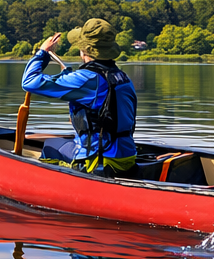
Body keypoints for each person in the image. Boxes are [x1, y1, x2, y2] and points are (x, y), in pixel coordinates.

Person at [22, 18, 137, 176]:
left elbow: (29, 82)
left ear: (84, 51)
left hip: (98, 161)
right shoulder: (122, 77)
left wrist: (42, 53)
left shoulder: (86, 79)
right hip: (127, 157)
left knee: (50, 147)